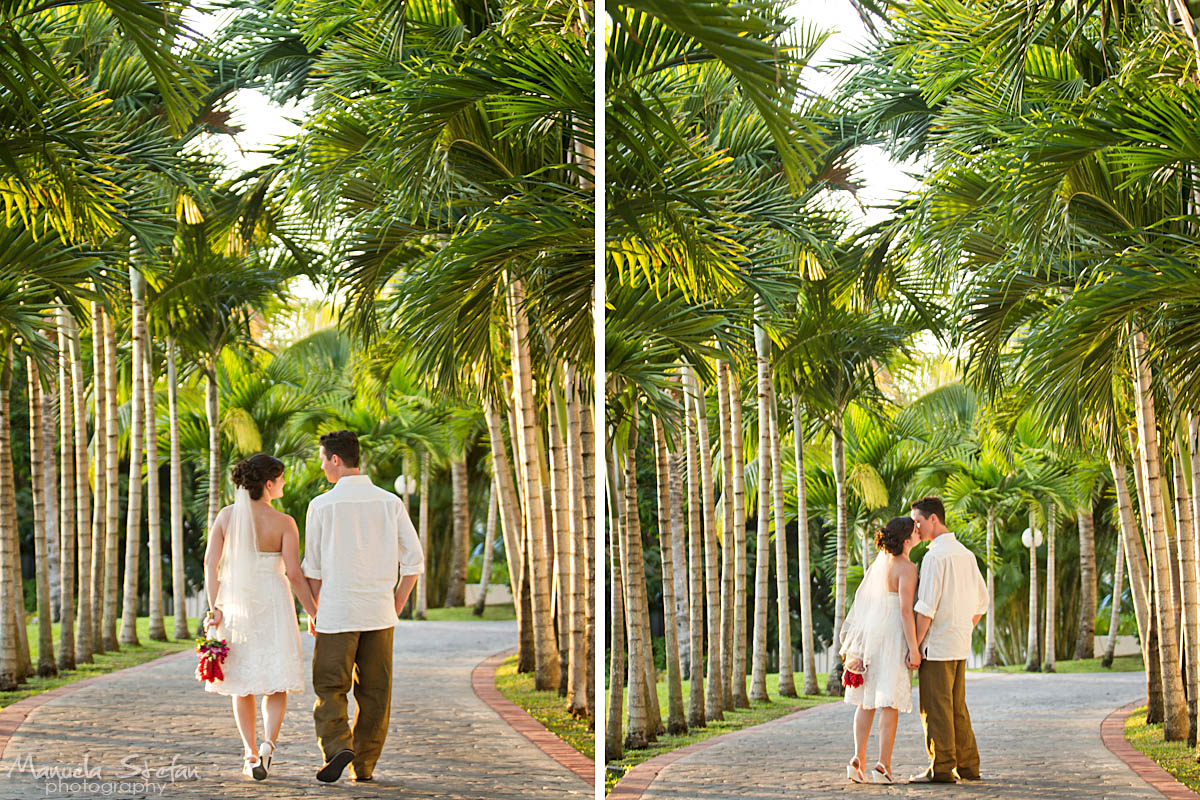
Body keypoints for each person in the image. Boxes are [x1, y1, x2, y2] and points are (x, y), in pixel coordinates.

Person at [301, 430, 425, 783]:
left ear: (336, 460)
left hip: (337, 613)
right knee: (375, 692)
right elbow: (414, 561)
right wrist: (396, 602)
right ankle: (365, 765)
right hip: (379, 614)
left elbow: (314, 569)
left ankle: (338, 745)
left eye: (324, 459)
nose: (323, 465)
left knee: (330, 687)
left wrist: (313, 612)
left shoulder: (322, 505)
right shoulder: (390, 502)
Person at [203, 454, 319, 780]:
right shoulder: (285, 523)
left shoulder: (226, 517)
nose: (283, 483)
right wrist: (313, 612)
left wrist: (214, 608)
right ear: (269, 483)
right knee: (276, 681)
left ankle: (250, 753)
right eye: (280, 478)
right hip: (274, 604)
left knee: (242, 686)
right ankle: (269, 745)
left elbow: (210, 565)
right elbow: (295, 575)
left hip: (237, 605)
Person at [908, 495, 989, 784]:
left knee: (935, 709)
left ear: (934, 519)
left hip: (937, 645)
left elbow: (926, 607)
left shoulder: (935, 556)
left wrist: (915, 648)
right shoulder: (965, 553)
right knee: (957, 708)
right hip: (959, 644)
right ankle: (968, 767)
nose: (915, 529)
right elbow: (983, 601)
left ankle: (941, 768)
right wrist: (962, 627)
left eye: (918, 522)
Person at [840, 516, 922, 784]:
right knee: (889, 702)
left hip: (873, 633)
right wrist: (914, 647)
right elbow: (905, 611)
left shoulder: (881, 564)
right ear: (907, 540)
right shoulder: (907, 568)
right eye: (915, 531)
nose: (919, 532)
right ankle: (883, 766)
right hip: (893, 636)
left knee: (866, 701)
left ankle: (857, 758)